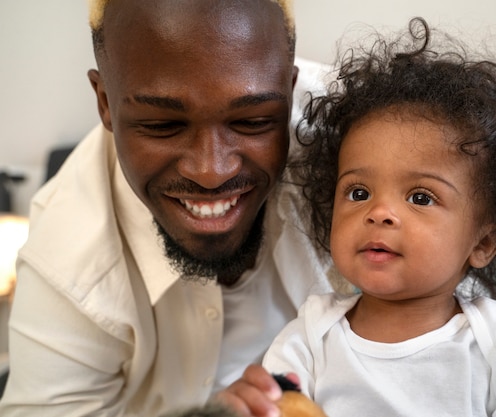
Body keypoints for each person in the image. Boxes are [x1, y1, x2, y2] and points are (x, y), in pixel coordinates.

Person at [0, 1, 339, 416]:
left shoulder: (366, 147)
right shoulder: (67, 261)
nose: (211, 171)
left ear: (290, 90)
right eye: (163, 125)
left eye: (252, 121)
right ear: (105, 103)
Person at [255, 17, 496, 416]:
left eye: (420, 197)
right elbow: (274, 405)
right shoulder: (311, 335)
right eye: (359, 192)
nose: (379, 212)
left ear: (483, 243)